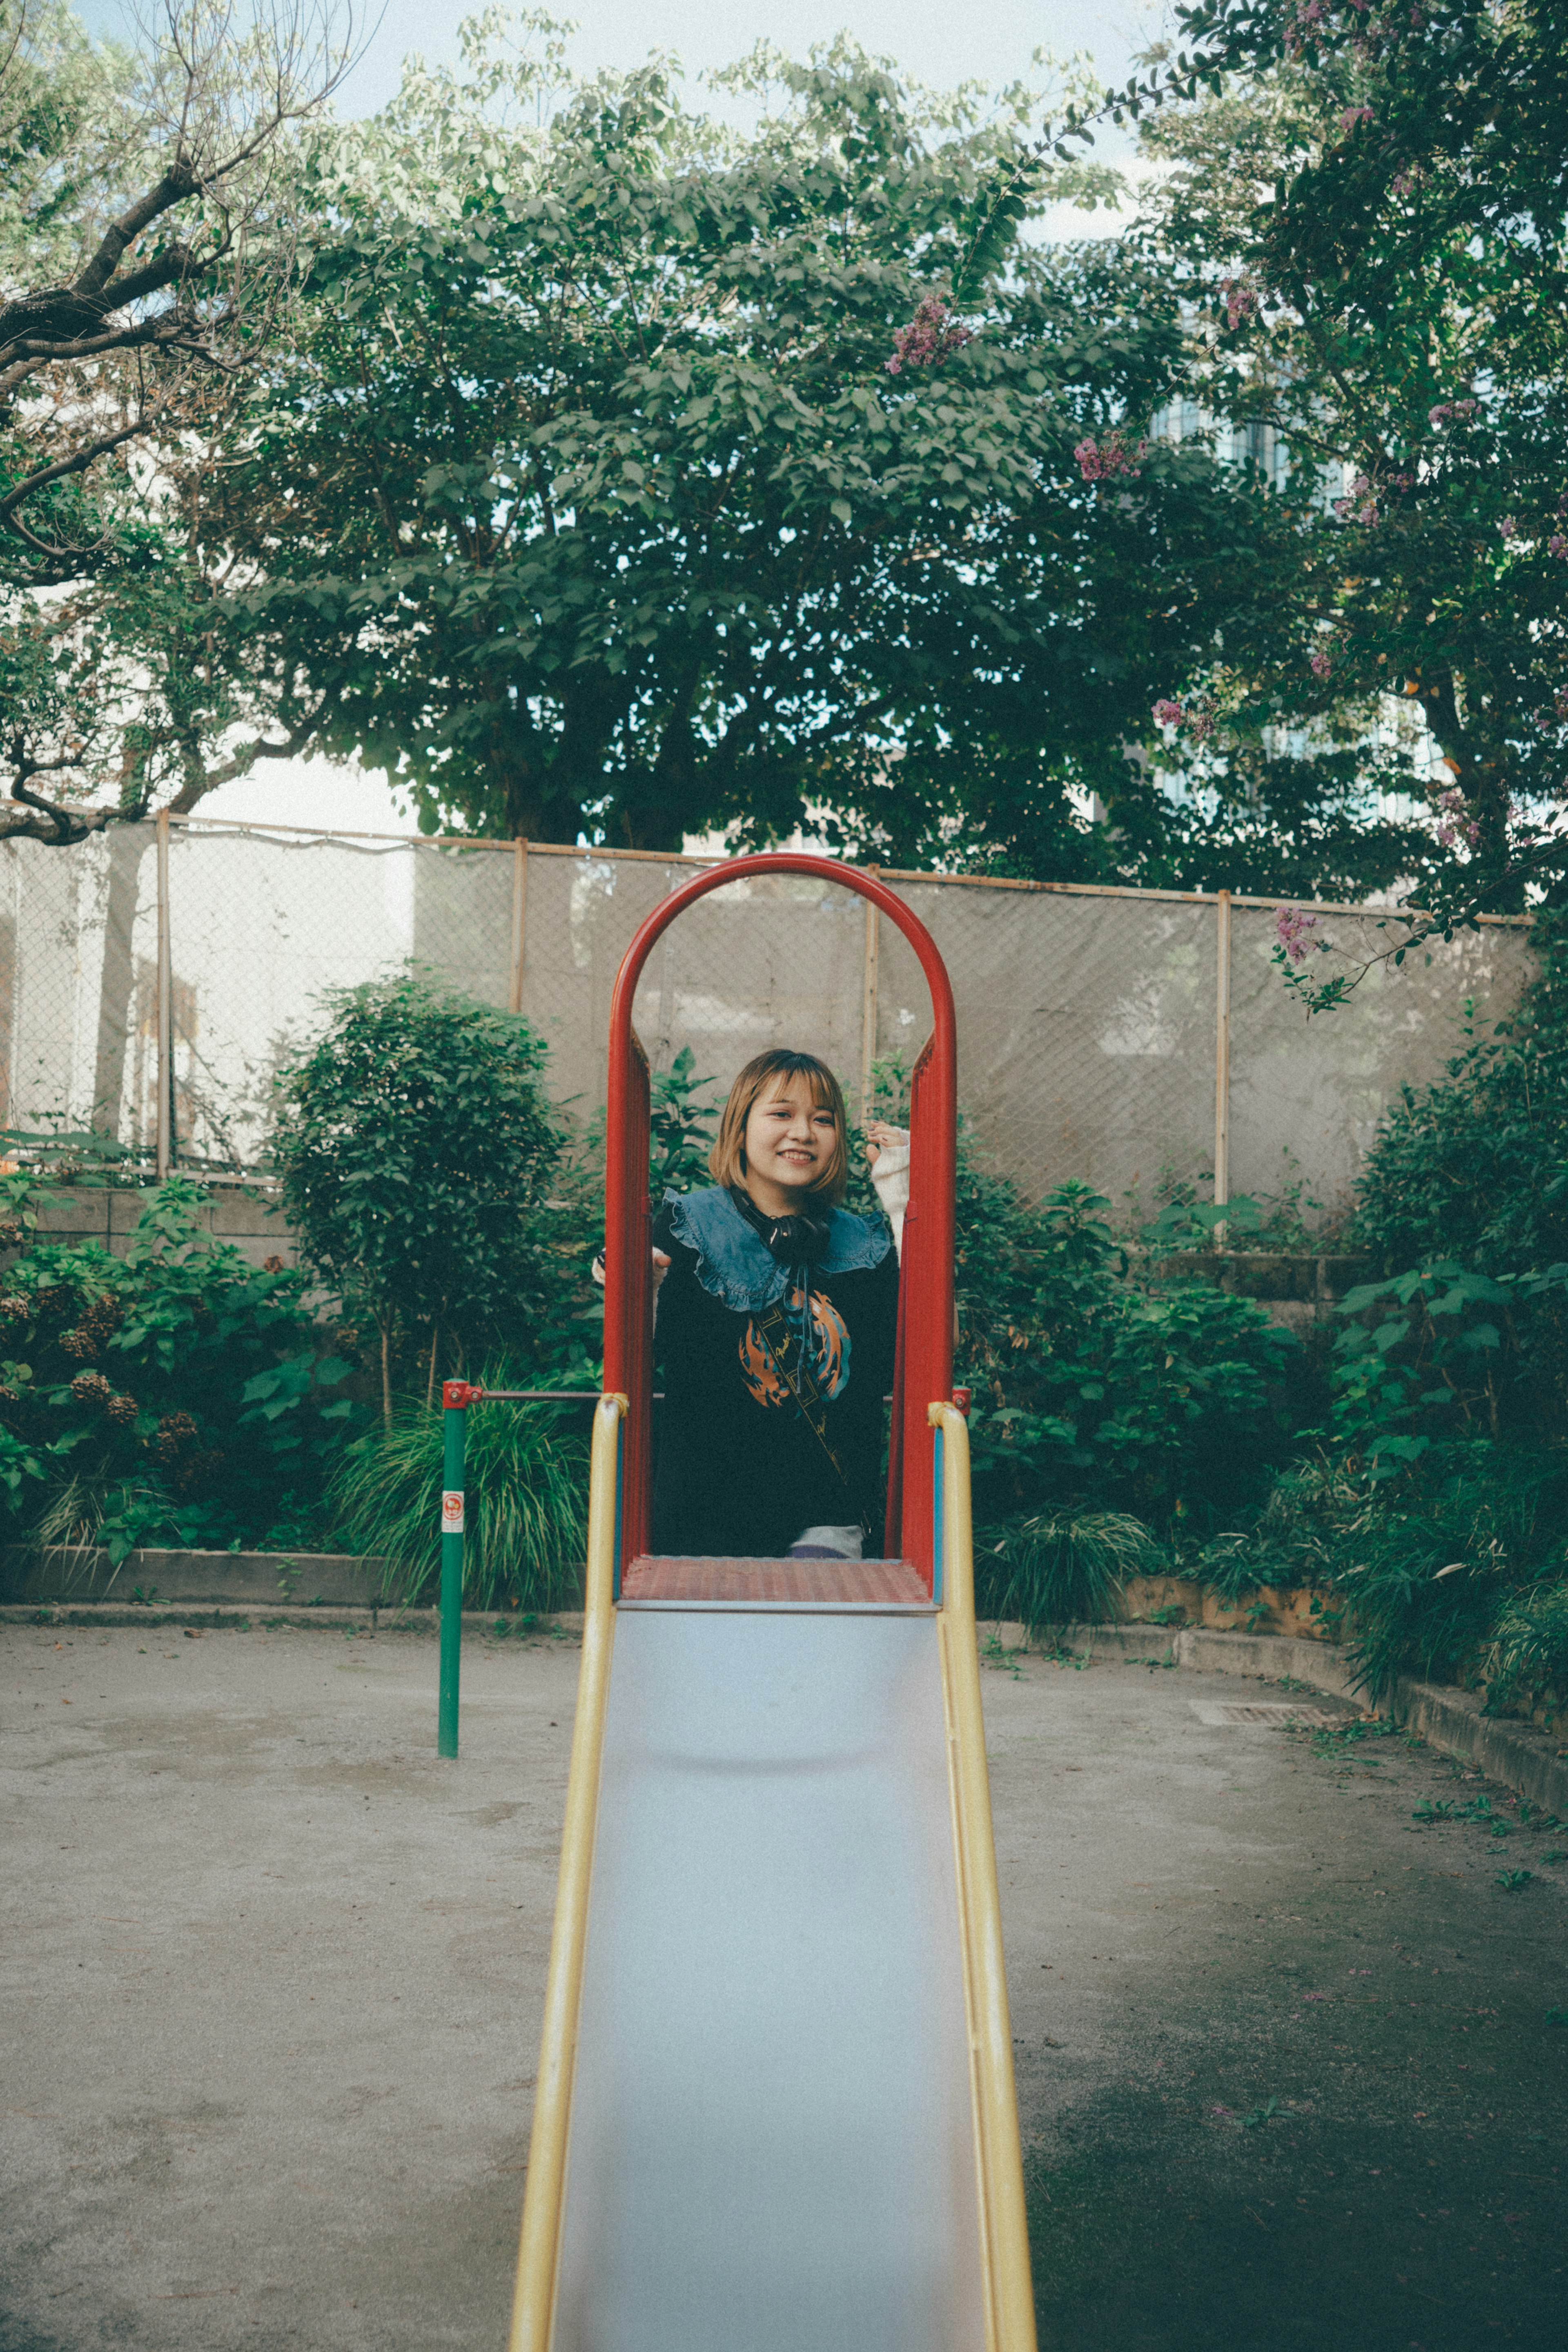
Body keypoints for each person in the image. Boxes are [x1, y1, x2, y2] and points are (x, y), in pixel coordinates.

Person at [644, 1048, 909, 1561]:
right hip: (705, 1509)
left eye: (823, 1119)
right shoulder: (686, 1226)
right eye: (782, 1113)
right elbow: (642, 1354)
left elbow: (932, 1349)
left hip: (824, 1514)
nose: (804, 1132)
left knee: (812, 1623)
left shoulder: (865, 1245)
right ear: (741, 1125)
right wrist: (639, 1288)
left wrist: (904, 1203)